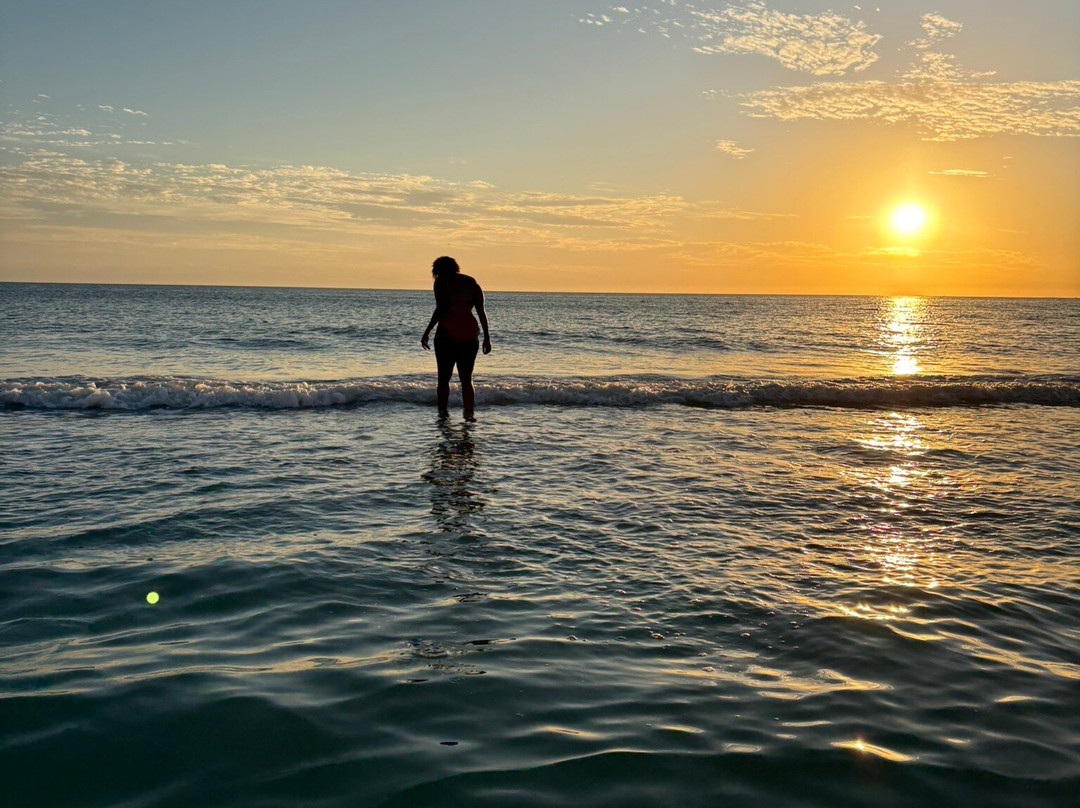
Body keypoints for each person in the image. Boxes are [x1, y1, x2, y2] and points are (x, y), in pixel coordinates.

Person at [421, 256, 491, 419]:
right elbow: (481, 312)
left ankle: (442, 415)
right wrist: (487, 337)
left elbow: (441, 309)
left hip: (447, 334)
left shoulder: (441, 282)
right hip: (469, 333)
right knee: (466, 379)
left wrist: (427, 331)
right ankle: (469, 414)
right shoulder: (471, 283)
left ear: (437, 270)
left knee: (443, 379)